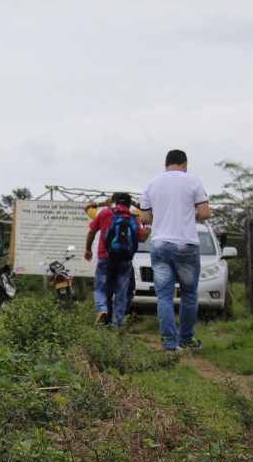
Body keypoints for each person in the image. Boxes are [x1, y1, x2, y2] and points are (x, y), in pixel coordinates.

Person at [138, 149, 211, 352]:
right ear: (185, 164)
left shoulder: (152, 184)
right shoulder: (192, 181)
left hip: (160, 244)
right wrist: (187, 215)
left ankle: (169, 344)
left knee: (164, 296)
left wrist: (161, 216)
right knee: (188, 295)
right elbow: (205, 212)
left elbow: (144, 219)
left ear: (166, 165)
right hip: (185, 245)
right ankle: (185, 340)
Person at [84, 193, 150, 327]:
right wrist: (148, 228)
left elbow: (91, 231)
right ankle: (117, 323)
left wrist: (88, 249)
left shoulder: (104, 213)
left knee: (101, 288)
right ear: (129, 203)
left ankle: (102, 309)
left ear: (113, 202)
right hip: (125, 259)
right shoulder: (134, 216)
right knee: (121, 292)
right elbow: (142, 237)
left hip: (105, 256)